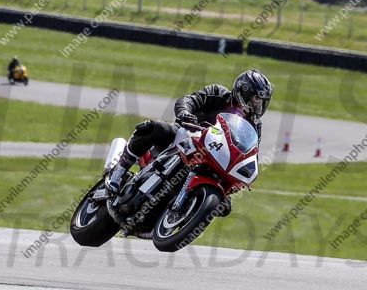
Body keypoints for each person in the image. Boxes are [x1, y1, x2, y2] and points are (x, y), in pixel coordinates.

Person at [105, 69, 273, 205]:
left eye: (262, 101)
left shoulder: (254, 125)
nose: (258, 105)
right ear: (243, 92)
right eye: (256, 99)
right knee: (155, 128)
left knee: (222, 204)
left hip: (215, 159)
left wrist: (228, 190)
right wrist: (185, 113)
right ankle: (117, 174)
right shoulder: (218, 94)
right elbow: (189, 100)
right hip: (187, 136)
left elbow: (250, 154)